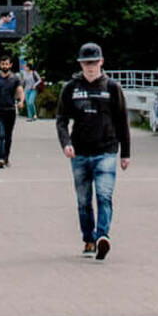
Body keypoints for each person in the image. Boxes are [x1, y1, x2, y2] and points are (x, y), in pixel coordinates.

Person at [55, 42, 130, 261]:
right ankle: (88, 237)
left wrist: (125, 153)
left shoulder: (112, 88)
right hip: (79, 153)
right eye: (86, 63)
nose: (90, 67)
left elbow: (122, 121)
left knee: (104, 195)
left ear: (101, 62)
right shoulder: (71, 88)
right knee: (84, 200)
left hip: (106, 151)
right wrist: (66, 143)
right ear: (81, 64)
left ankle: (102, 236)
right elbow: (61, 120)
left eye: (94, 63)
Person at [0, 54, 23, 168]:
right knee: (0, 134)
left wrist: (21, 101)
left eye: (7, 64)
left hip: (10, 110)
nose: (5, 66)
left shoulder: (15, 78)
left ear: (10, 65)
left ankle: (6, 157)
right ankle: (0, 158)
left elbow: (20, 91)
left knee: (8, 136)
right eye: (3, 64)